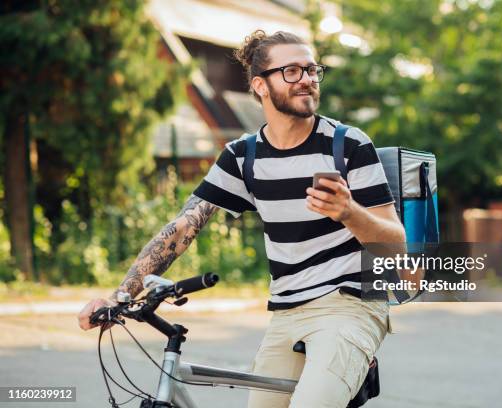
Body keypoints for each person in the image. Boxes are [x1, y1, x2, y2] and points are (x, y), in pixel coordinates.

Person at [78, 29, 405, 408]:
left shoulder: (348, 145)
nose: (308, 80)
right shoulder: (242, 156)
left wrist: (349, 212)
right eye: (292, 71)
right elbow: (183, 227)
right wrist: (119, 297)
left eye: (312, 69)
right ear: (260, 86)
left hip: (351, 306)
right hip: (286, 312)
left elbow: (396, 244)